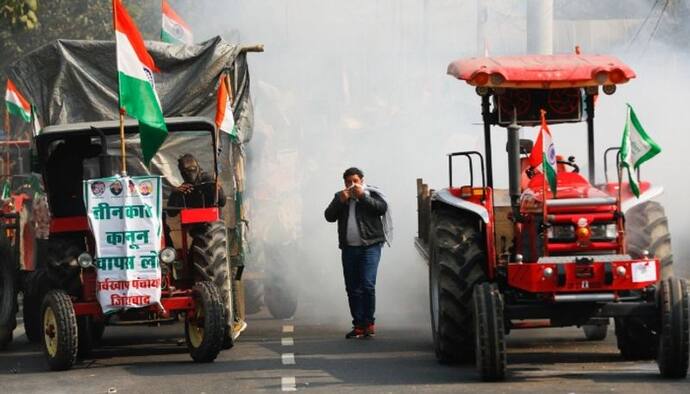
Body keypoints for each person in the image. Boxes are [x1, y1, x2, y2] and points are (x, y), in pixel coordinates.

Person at [324, 167, 390, 339]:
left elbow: (381, 208)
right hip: (349, 248)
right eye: (348, 182)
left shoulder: (371, 194)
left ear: (362, 180)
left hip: (370, 245)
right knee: (353, 288)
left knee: (367, 284)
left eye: (355, 181)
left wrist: (362, 197)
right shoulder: (341, 196)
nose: (352, 185)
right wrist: (340, 201)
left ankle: (369, 323)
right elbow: (329, 216)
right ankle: (359, 325)